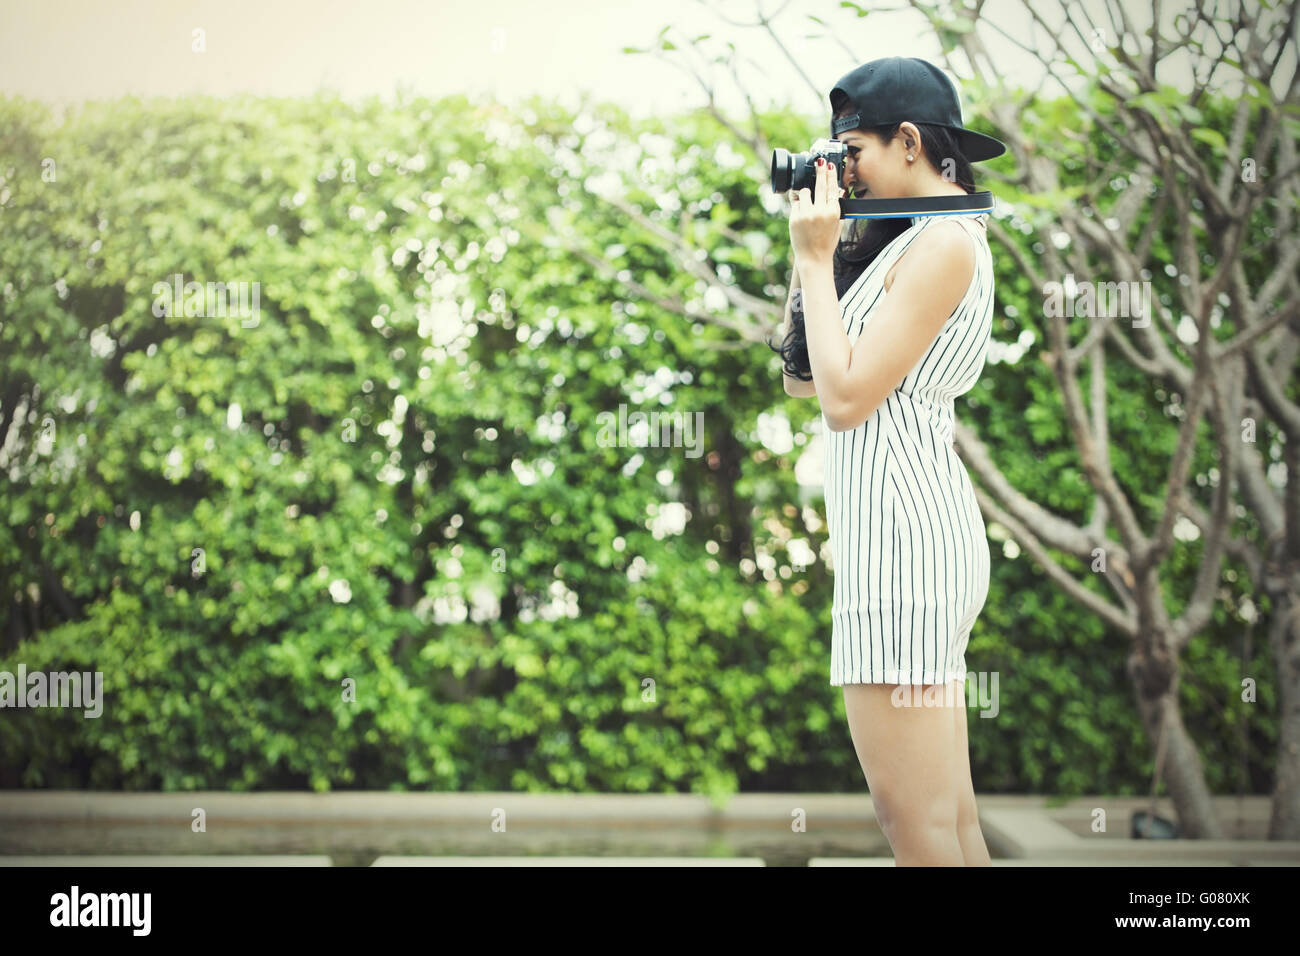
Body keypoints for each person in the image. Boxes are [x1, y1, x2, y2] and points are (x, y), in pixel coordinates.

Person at [772, 56, 1005, 866]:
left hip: (903, 552)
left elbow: (846, 402)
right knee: (949, 823)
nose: (846, 171)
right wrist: (821, 252)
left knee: (914, 826)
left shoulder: (943, 244)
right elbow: (807, 380)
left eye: (853, 152)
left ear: (909, 142)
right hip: (904, 544)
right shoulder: (906, 239)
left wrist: (812, 260)